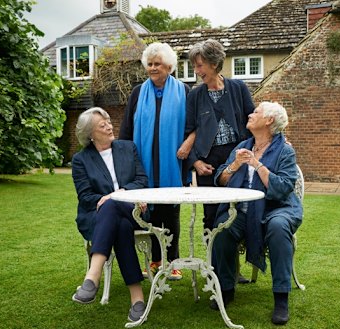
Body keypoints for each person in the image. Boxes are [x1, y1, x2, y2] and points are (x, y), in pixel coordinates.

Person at [211, 102, 303, 325]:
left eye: (256, 112)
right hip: (243, 210)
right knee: (222, 228)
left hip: (277, 208)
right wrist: (234, 165)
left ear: (269, 120)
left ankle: (281, 297)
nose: (250, 114)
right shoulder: (243, 145)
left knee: (279, 227)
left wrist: (256, 164)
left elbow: (282, 188)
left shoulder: (285, 150)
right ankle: (226, 288)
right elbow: (221, 179)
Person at [119, 42, 192, 281]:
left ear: (169, 66)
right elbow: (127, 130)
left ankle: (172, 262)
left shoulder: (184, 91)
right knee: (148, 214)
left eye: (157, 64)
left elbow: (193, 127)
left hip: (173, 164)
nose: (152, 68)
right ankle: (153, 260)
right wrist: (125, 162)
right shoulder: (138, 93)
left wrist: (188, 145)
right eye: (149, 64)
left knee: (170, 214)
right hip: (144, 166)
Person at [71, 107, 148, 322]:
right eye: (102, 124)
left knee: (114, 203)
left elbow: (142, 181)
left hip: (133, 209)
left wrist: (119, 194)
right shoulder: (80, 160)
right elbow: (86, 197)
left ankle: (92, 277)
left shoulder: (128, 147)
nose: (109, 125)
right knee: (120, 226)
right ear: (90, 135)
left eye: (108, 121)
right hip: (97, 216)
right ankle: (137, 298)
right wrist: (110, 200)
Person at [185, 39, 255, 231]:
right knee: (210, 216)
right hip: (208, 161)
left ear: (214, 64)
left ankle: (231, 258)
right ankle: (211, 260)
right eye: (194, 67)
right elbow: (187, 131)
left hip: (237, 156)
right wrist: (195, 163)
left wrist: (275, 140)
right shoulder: (194, 95)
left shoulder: (238, 88)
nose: (197, 71)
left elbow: (253, 121)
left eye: (199, 66)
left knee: (239, 210)